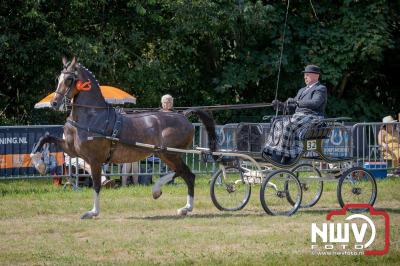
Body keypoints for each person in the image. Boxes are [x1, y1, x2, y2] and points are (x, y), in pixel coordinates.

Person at [262, 64, 327, 164]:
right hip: (299, 116)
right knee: (278, 123)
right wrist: (280, 105)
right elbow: (292, 105)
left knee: (288, 125)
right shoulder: (302, 90)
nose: (305, 77)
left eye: (308, 74)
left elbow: (315, 103)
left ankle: (280, 155)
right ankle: (274, 150)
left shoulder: (320, 88)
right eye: (305, 75)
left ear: (316, 76)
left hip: (313, 117)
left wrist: (297, 102)